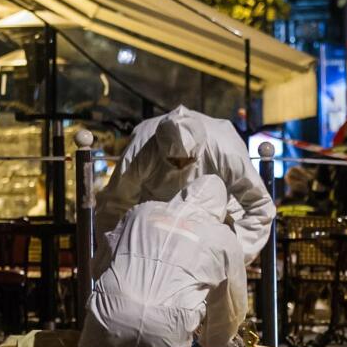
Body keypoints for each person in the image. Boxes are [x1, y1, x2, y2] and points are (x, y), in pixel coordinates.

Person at [50, 175, 248, 347]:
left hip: (111, 310)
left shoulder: (141, 211)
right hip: (171, 322)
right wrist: (213, 341)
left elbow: (101, 262)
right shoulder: (223, 237)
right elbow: (232, 305)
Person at [95, 106, 275, 264]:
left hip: (217, 228)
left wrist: (233, 253)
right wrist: (115, 254)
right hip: (155, 233)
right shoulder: (141, 146)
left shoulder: (225, 146)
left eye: (187, 161)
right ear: (160, 148)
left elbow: (260, 206)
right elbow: (115, 204)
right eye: (173, 161)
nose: (180, 167)